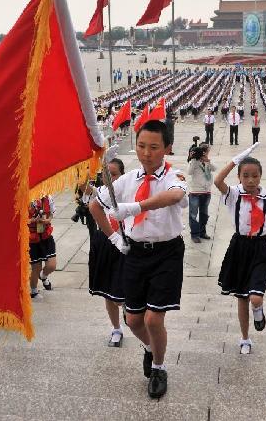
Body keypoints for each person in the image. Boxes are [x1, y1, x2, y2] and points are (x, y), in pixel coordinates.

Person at [89, 120, 188, 399]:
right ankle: (149, 348)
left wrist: (136, 207)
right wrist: (114, 238)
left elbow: (175, 196)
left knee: (154, 319)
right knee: (133, 321)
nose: (146, 153)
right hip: (134, 253)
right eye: (141, 146)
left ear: (167, 148)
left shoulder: (173, 175)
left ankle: (159, 366)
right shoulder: (126, 180)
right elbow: (95, 205)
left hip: (166, 253)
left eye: (154, 147)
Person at [214, 144, 266, 354]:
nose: (250, 180)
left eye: (255, 176)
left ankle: (258, 308)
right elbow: (217, 181)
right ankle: (245, 339)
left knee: (255, 297)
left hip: (259, 248)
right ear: (239, 176)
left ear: (260, 177)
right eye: (245, 175)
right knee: (241, 297)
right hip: (239, 247)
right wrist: (235, 160)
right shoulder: (233, 195)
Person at [88, 158, 127, 347]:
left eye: (114, 174)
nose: (110, 178)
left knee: (123, 291)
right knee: (108, 291)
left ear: (122, 175)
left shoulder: (127, 192)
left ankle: (130, 310)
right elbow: (89, 199)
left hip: (125, 244)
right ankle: (116, 328)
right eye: (107, 174)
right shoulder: (99, 194)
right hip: (104, 244)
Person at [28, 195, 57, 299]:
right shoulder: (24, 198)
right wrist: (32, 220)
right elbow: (19, 219)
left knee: (52, 265)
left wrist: (47, 220)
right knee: (36, 267)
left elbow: (51, 214)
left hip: (46, 236)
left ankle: (43, 276)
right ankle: (34, 291)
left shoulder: (47, 197)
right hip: (32, 239)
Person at [187, 144, 215, 243]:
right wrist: (193, 159)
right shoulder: (194, 162)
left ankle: (202, 232)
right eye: (205, 151)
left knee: (204, 214)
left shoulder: (207, 161)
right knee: (193, 215)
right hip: (195, 192)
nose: (206, 153)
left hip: (206, 191)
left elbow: (214, 169)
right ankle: (194, 234)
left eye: (207, 152)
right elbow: (189, 172)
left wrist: (208, 161)